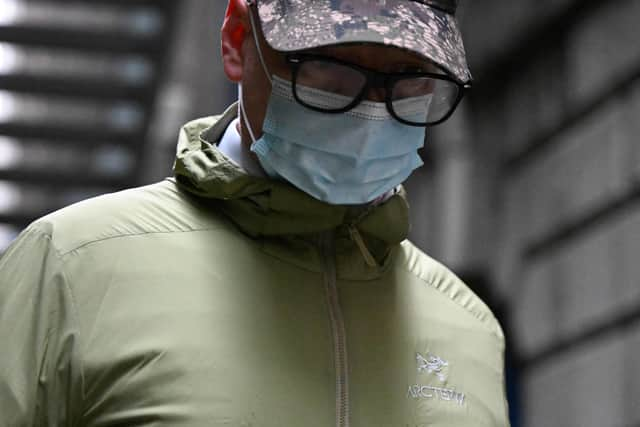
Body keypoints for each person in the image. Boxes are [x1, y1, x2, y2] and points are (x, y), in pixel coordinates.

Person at [0, 0, 510, 425]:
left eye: (409, 77)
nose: (371, 110)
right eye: (328, 66)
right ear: (237, 40)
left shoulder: (468, 327)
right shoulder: (70, 268)